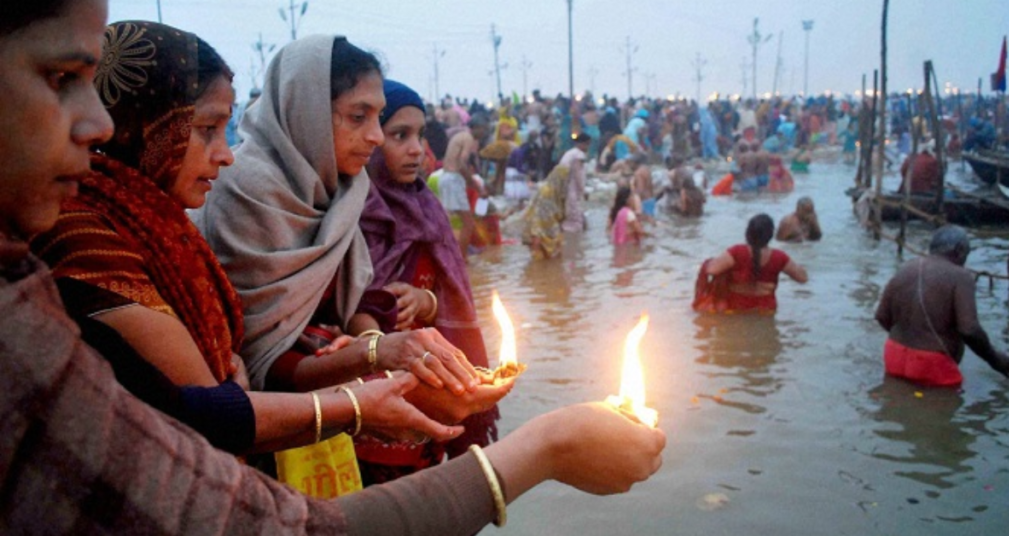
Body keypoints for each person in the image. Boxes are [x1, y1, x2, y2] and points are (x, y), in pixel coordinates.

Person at [0, 3, 665, 533]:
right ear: (308, 120)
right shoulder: (106, 241)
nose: (95, 123)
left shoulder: (301, 203)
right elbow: (209, 404)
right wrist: (363, 391)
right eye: (60, 79)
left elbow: (284, 341)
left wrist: (393, 342)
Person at [192, 36, 479, 399]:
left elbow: (354, 302)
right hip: (251, 415)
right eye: (358, 117)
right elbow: (257, 354)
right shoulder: (243, 190)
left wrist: (373, 339)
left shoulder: (344, 190)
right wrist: (373, 353)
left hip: (330, 396)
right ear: (305, 112)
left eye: (378, 117)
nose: (375, 136)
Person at [356, 80, 503, 483]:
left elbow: (452, 295)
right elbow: (332, 312)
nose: (417, 149)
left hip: (431, 393)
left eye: (420, 135)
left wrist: (426, 302)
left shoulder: (428, 209)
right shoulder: (344, 217)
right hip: (363, 407)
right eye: (399, 135)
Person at [874, 226, 1009, 387]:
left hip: (894, 355)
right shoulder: (961, 276)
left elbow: (881, 316)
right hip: (933, 365)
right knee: (943, 408)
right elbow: (969, 329)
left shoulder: (906, 268)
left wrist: (911, 341)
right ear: (959, 250)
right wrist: (995, 359)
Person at [704, 214, 808, 312]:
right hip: (766, 311)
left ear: (748, 233)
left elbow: (711, 270)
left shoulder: (737, 252)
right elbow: (803, 278)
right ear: (770, 235)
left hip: (737, 310)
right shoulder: (779, 257)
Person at [441, 113, 490, 257]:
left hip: (446, 178)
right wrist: (478, 188)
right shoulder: (468, 138)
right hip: (453, 179)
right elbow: (461, 164)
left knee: (448, 221)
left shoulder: (460, 136)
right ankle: (462, 260)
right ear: (477, 127)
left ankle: (451, 255)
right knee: (468, 223)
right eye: (484, 129)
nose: (485, 133)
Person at [521, 166, 571, 259]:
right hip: (539, 230)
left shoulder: (557, 192)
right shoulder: (546, 191)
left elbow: (559, 212)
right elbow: (539, 217)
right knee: (539, 257)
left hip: (548, 227)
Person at [559, 131, 590, 232]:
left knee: (570, 217)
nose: (588, 147)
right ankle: (573, 243)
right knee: (576, 222)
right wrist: (583, 191)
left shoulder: (570, 153)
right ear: (582, 143)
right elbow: (578, 175)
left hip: (564, 189)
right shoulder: (578, 155)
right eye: (587, 144)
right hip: (571, 190)